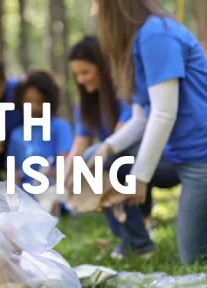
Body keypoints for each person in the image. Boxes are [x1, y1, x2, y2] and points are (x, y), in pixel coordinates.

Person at [89, 0, 207, 265]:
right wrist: (106, 148)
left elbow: (164, 113)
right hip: (176, 157)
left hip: (201, 159)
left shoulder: (157, 34)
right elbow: (142, 118)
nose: (93, 11)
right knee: (98, 156)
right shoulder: (141, 39)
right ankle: (135, 243)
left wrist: (140, 176)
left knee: (195, 259)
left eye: (96, 4)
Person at [65, 35, 179, 260]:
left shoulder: (125, 94)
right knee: (88, 160)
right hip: (128, 167)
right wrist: (67, 179)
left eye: (85, 72)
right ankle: (129, 238)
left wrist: (96, 157)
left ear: (103, 68)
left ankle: (138, 243)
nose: (80, 80)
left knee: (99, 160)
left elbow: (123, 137)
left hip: (163, 162)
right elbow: (78, 147)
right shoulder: (85, 106)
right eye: (76, 74)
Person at [7, 70, 73, 214]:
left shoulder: (59, 127)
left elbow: (66, 163)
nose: (34, 107)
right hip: (26, 195)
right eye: (28, 101)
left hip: (54, 190)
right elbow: (14, 174)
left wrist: (51, 174)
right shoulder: (17, 134)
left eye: (39, 101)